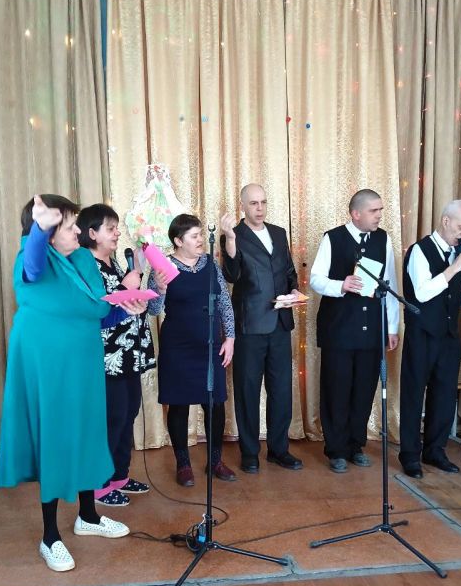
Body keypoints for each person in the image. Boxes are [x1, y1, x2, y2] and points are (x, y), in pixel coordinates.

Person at [0, 195, 141, 573]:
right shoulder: (32, 258)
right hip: (47, 362)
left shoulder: (82, 260)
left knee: (86, 433)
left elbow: (95, 313)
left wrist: (125, 307)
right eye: (68, 225)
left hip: (83, 361)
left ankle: (88, 516)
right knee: (56, 438)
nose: (78, 230)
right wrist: (40, 228)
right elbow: (33, 261)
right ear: (46, 230)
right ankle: (50, 536)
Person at [77, 204, 168, 506]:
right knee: (111, 419)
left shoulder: (115, 263)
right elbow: (93, 311)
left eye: (117, 227)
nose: (117, 233)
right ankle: (99, 486)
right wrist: (126, 288)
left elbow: (129, 302)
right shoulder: (86, 266)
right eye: (111, 228)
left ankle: (119, 476)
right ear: (92, 233)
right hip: (106, 357)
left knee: (128, 413)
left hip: (130, 351)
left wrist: (146, 288)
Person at [310, 189, 399, 472]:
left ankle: (355, 445)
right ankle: (336, 449)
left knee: (363, 389)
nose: (379, 216)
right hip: (338, 330)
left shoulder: (383, 239)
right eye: (374, 211)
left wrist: (392, 326)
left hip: (371, 330)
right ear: (356, 213)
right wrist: (341, 285)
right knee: (336, 390)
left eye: (381, 210)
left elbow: (390, 283)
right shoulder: (332, 238)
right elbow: (315, 279)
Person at [147, 214, 236, 487]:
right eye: (194, 236)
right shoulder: (162, 267)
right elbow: (153, 310)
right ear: (178, 241)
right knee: (179, 404)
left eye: (200, 235)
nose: (200, 240)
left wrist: (230, 337)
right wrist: (159, 288)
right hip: (178, 347)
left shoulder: (210, 264)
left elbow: (224, 302)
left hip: (210, 345)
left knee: (215, 403)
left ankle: (215, 460)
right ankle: (183, 463)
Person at [220, 183, 302, 473]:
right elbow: (231, 275)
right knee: (248, 391)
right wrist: (230, 240)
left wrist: (294, 290)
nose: (260, 208)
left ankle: (279, 450)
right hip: (250, 325)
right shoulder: (234, 235)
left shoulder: (278, 233)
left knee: (281, 390)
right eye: (254, 203)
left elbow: (288, 270)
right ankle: (250, 452)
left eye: (263, 202)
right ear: (243, 205)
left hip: (280, 323)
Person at [399, 199, 461, 479]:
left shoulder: (458, 253)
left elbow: (455, 294)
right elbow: (421, 293)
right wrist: (454, 268)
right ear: (445, 221)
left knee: (444, 395)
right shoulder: (420, 251)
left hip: (448, 336)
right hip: (422, 334)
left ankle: (435, 451)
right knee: (414, 394)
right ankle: (410, 455)